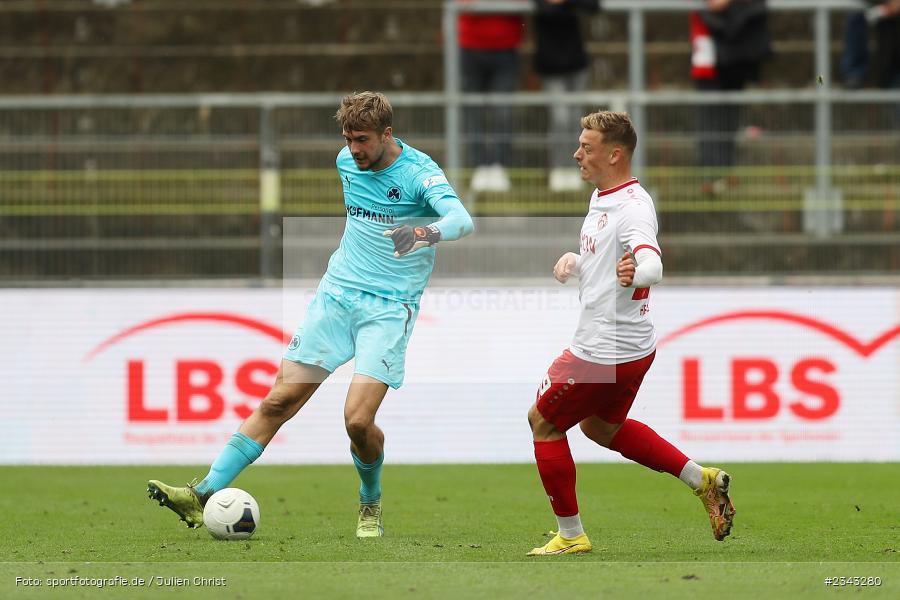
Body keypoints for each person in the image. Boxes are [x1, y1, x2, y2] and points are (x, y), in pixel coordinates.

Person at [147, 91, 474, 538]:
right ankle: (201, 493)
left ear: (387, 134)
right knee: (277, 401)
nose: (353, 149)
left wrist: (422, 232)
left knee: (357, 421)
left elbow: (462, 220)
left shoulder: (419, 173)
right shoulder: (346, 162)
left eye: (362, 139)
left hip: (387, 310)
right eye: (348, 139)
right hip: (335, 298)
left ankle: (370, 502)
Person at [525, 111, 735, 556]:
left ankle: (571, 534)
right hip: (632, 346)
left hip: (603, 349)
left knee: (543, 422)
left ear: (614, 154)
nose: (576, 154)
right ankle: (702, 480)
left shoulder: (633, 208)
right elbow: (607, 259)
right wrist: (577, 261)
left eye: (587, 147)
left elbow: (653, 263)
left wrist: (638, 271)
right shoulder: (605, 197)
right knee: (601, 428)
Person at [691, 0, 770, 195]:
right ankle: (712, 176)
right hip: (708, 52)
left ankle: (724, 175)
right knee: (710, 117)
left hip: (736, 51)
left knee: (729, 117)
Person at [532, 0, 600, 192]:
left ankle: (578, 168)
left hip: (576, 64)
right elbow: (545, 9)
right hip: (550, 66)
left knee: (577, 120)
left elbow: (593, 6)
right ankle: (559, 169)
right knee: (560, 118)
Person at [458, 7, 525, 192]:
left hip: (506, 45)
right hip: (470, 45)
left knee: (503, 110)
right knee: (472, 110)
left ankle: (499, 166)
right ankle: (478, 166)